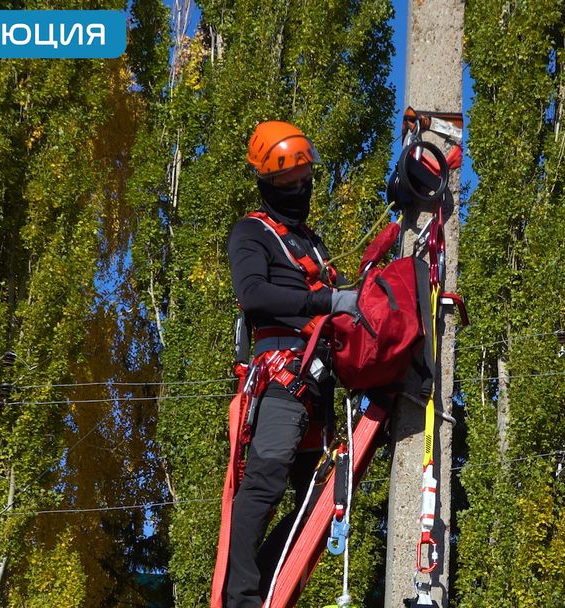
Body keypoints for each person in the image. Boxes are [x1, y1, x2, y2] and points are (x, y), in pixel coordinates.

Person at [223, 120, 358, 608]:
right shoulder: (251, 233)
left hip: (319, 382)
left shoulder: (312, 244)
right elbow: (253, 294)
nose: (296, 189)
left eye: (302, 179)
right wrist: (327, 304)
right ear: (264, 182)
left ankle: (266, 582)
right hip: (282, 377)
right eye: (285, 182)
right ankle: (239, 597)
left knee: (318, 499)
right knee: (266, 479)